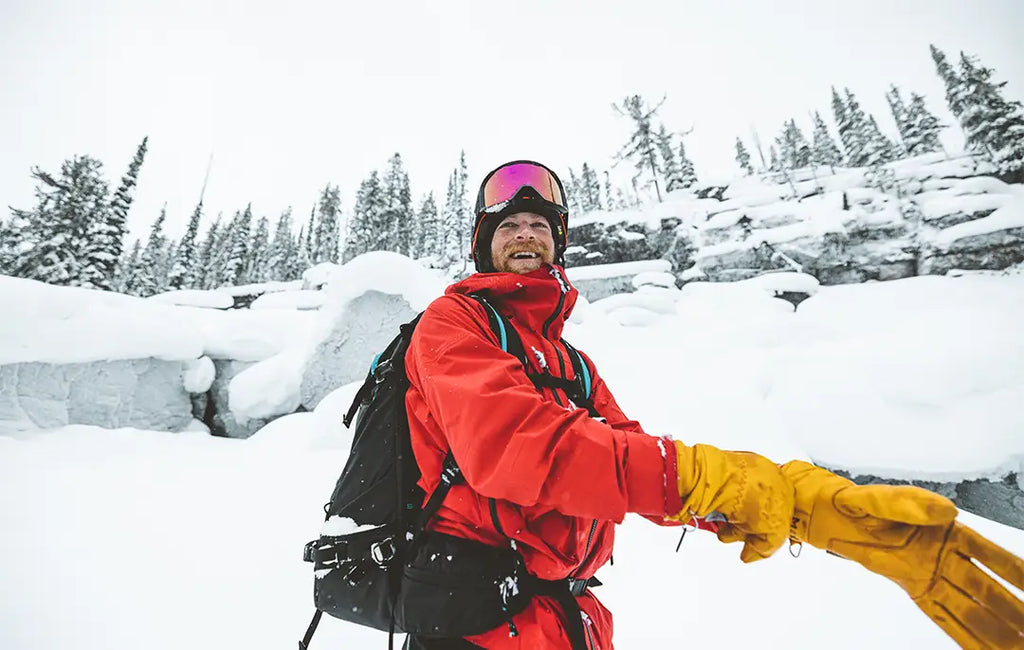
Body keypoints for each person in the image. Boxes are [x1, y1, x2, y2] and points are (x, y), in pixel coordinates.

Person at [403, 160, 1024, 649]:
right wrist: (704, 478)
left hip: (563, 617)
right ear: (483, 246)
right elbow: (518, 447)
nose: (526, 235)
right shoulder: (452, 323)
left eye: (540, 225)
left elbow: (631, 459)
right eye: (508, 226)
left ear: (558, 244)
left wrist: (794, 501)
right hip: (475, 622)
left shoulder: (569, 362)